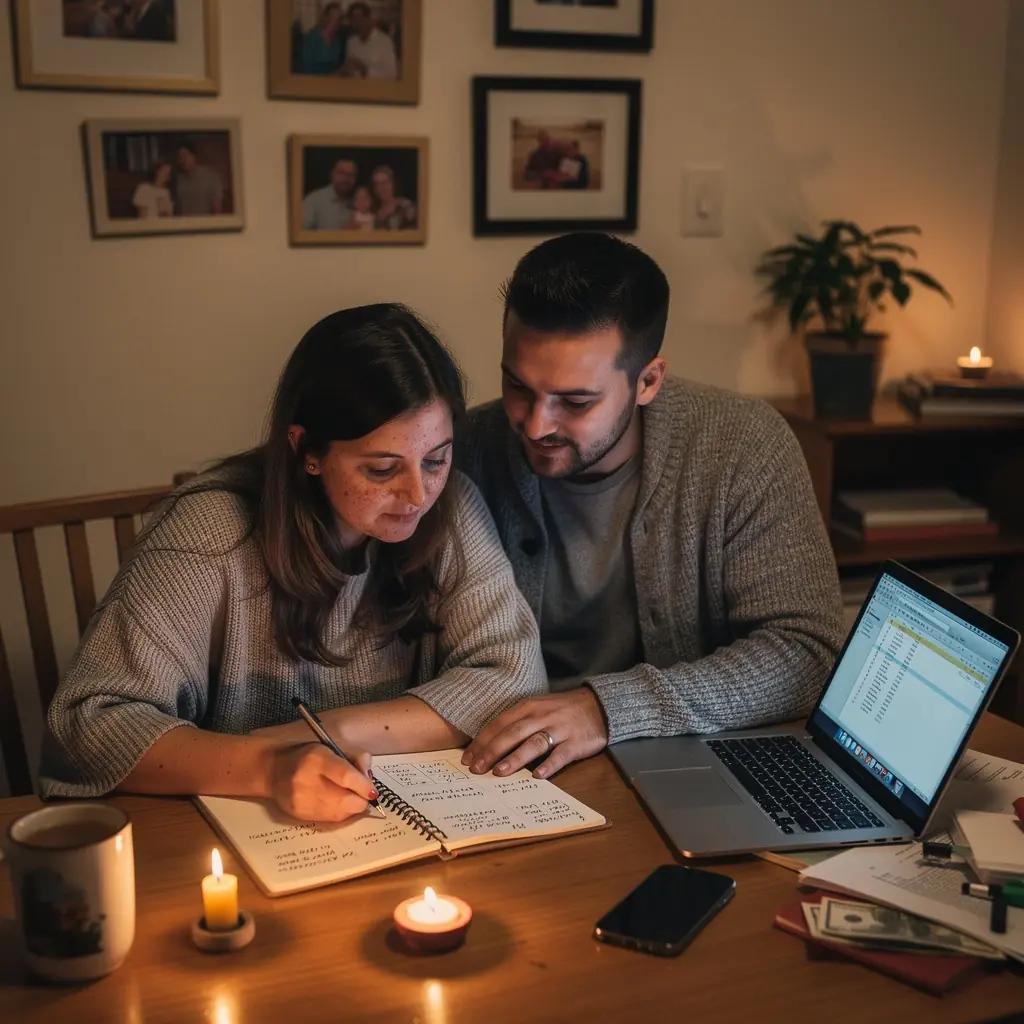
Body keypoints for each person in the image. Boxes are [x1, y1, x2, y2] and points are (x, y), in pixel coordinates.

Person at [40, 304, 547, 821]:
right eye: (380, 469)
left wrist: (326, 733)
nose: (419, 493)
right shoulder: (210, 533)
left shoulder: (452, 508)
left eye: (436, 458)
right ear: (307, 449)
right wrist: (270, 766)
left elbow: (516, 680)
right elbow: (86, 728)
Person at [457, 232, 844, 782]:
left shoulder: (741, 445)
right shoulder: (463, 450)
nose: (536, 424)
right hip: (502, 770)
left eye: (576, 401)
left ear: (648, 381)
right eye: (517, 385)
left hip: (676, 762)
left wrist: (606, 709)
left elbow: (808, 652)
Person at [342, 1, 398, 80]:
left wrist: (364, 69)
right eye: (353, 20)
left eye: (359, 19)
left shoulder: (385, 42)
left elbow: (391, 74)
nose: (356, 24)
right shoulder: (351, 41)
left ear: (368, 18)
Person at [302, 157, 358, 230]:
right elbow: (301, 234)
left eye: (350, 175)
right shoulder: (314, 200)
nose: (346, 179)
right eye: (341, 173)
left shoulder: (357, 201)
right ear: (332, 174)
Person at [174, 141, 223, 216]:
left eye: (185, 155)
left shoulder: (210, 176)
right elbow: (178, 209)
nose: (183, 160)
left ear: (193, 156)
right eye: (180, 157)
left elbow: (217, 207)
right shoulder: (179, 180)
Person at [296, 1, 345, 75]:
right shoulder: (312, 38)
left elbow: (335, 66)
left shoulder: (338, 40)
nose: (336, 21)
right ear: (325, 17)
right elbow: (306, 68)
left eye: (339, 18)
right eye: (333, 17)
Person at [371, 165, 416, 230]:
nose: (380, 188)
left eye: (384, 183)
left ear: (393, 184)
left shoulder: (406, 207)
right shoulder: (372, 212)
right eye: (376, 184)